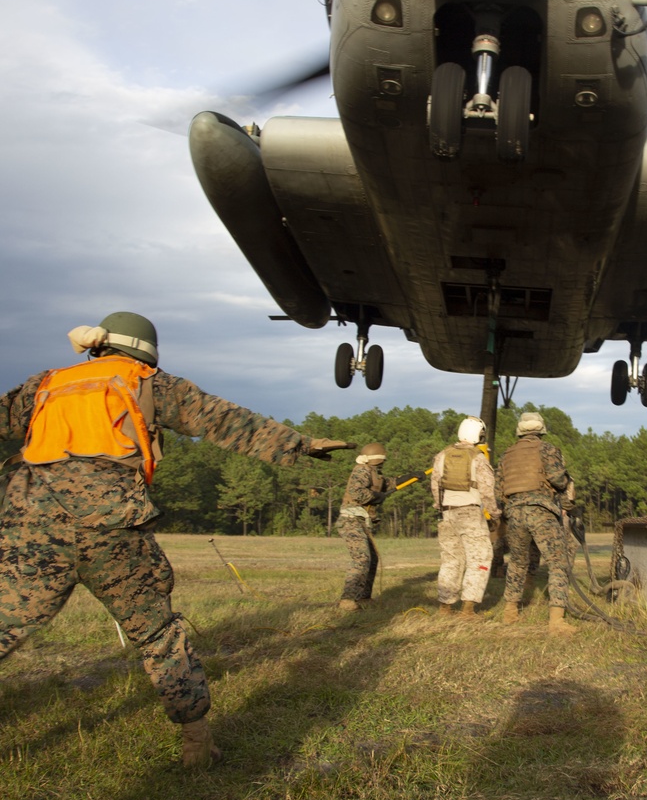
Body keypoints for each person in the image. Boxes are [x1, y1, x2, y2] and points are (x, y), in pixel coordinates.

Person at [0, 313, 354, 767]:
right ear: (146, 349)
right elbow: (225, 420)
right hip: (112, 526)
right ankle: (196, 745)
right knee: (157, 633)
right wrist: (300, 444)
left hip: (32, 524)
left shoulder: (45, 384)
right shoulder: (147, 381)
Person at [495, 412, 577, 635]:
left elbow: (498, 492)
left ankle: (510, 612)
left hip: (514, 513)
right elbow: (558, 480)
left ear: (520, 430)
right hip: (541, 511)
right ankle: (557, 621)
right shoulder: (547, 449)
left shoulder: (506, 455)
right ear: (541, 429)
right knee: (558, 562)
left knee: (517, 563)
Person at [430, 416, 499, 620]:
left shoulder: (441, 456)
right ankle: (468, 609)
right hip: (470, 513)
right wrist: (495, 513)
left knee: (451, 560)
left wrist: (440, 506)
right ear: (478, 435)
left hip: (447, 514)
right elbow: (487, 491)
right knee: (479, 559)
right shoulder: (478, 458)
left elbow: (435, 486)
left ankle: (445, 607)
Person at [335, 441, 408, 610]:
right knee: (362, 558)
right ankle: (347, 599)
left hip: (361, 521)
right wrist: (376, 496)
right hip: (350, 520)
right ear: (378, 459)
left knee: (372, 559)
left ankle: (363, 597)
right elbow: (357, 492)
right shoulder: (361, 471)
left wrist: (410, 477)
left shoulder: (373, 472)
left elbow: (388, 484)